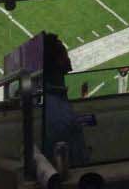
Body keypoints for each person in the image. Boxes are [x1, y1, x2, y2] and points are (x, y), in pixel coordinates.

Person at [39, 33, 90, 167]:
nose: (69, 59)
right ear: (58, 60)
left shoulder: (47, 98)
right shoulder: (57, 110)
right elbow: (73, 160)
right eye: (65, 54)